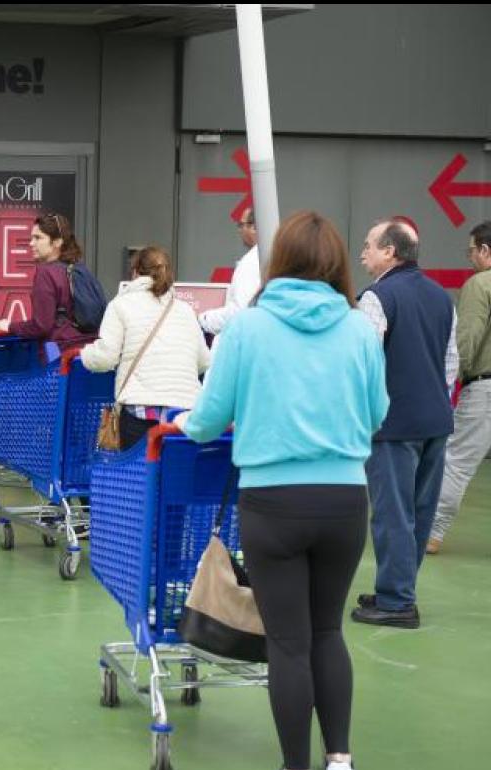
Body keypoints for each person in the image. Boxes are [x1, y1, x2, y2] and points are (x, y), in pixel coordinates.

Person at [176, 211, 388, 770]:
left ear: (279, 262)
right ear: (339, 264)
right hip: (344, 500)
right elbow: (376, 414)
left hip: (273, 502)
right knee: (327, 632)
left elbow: (209, 416)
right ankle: (339, 758)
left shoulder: (248, 327)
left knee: (288, 643)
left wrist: (182, 423)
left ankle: (296, 764)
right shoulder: (358, 328)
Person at [351, 218, 457, 629]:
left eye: (369, 246)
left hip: (393, 424)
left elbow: (364, 361)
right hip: (435, 420)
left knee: (392, 513)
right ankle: (398, 588)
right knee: (419, 511)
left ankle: (396, 602)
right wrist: (432, 398)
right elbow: (452, 363)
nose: (363, 253)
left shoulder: (377, 298)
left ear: (389, 252)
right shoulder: (440, 297)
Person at [80, 246, 211, 450]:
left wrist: (85, 354)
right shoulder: (186, 310)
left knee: (138, 477)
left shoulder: (120, 305)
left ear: (135, 272)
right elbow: (204, 362)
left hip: (140, 407)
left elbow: (105, 358)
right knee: (175, 476)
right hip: (184, 412)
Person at [427, 219, 491, 553]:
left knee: (456, 462)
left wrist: (453, 378)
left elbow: (468, 338)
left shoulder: (481, 284)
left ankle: (431, 533)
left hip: (485, 388)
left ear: (485, 250)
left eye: (471, 251)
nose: (470, 258)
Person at [0, 212, 102, 351]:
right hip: (88, 353)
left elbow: (41, 326)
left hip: (59, 357)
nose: (31, 243)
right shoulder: (81, 269)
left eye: (38, 238)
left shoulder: (46, 273)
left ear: (57, 242)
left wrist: (9, 326)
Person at [199, 207, 261, 336]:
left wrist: (204, 319)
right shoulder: (273, 256)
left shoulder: (252, 261)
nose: (239, 230)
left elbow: (239, 311)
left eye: (241, 225)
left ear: (254, 227)